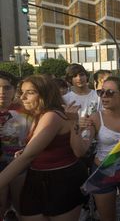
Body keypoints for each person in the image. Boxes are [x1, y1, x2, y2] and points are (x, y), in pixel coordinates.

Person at [0, 75, 88, 220]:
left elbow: (27, 157)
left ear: (45, 94)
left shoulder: (51, 116)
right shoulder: (36, 114)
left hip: (61, 180)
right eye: (22, 92)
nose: (22, 97)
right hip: (36, 178)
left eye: (30, 92)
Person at [71, 76, 120, 221]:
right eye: (101, 92)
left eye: (110, 92)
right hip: (103, 171)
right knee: (107, 218)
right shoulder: (95, 118)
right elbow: (80, 151)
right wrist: (75, 127)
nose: (104, 96)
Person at [0, 71, 31, 220]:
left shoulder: (27, 111)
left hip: (19, 163)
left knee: (22, 206)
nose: (2, 93)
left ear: (13, 90)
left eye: (6, 88)